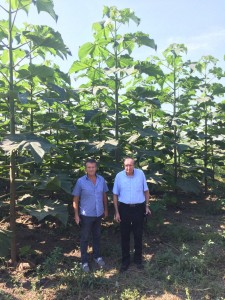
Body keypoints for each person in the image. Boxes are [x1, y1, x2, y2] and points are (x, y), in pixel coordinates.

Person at [113, 157, 151, 272]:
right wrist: (117, 211)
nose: (128, 168)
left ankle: (138, 260)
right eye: (126, 165)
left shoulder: (140, 174)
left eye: (130, 165)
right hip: (124, 208)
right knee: (124, 235)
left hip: (138, 208)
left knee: (138, 234)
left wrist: (147, 206)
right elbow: (115, 194)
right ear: (123, 166)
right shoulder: (119, 176)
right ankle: (125, 261)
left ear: (134, 165)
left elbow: (146, 191)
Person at [72, 158, 109, 272]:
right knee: (85, 238)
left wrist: (106, 209)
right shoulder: (80, 181)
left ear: (96, 168)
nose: (91, 169)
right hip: (86, 215)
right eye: (89, 167)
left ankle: (97, 257)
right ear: (85, 169)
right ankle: (84, 262)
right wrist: (76, 215)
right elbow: (75, 199)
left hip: (98, 213)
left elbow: (104, 195)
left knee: (97, 236)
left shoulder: (101, 180)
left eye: (93, 167)